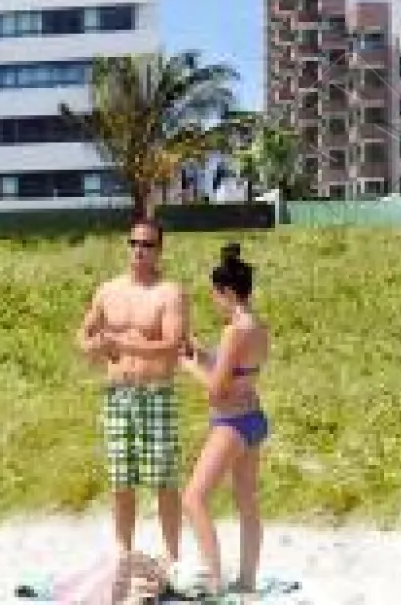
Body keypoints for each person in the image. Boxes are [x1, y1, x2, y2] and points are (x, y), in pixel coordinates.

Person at [74, 218, 189, 575]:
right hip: (117, 393)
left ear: (160, 250)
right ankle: (123, 552)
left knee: (164, 478)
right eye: (134, 243)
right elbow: (83, 335)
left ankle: (172, 557)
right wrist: (95, 346)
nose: (139, 250)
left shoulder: (169, 293)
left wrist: (121, 343)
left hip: (156, 392)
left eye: (147, 245)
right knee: (121, 478)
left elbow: (172, 345)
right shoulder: (107, 291)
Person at [177, 242, 270, 597]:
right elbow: (235, 369)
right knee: (247, 503)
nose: (215, 302)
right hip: (253, 418)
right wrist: (200, 353)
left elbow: (217, 390)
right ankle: (246, 582)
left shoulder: (235, 330)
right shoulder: (257, 326)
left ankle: (215, 581)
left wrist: (187, 366)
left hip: (232, 422)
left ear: (228, 292)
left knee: (193, 498)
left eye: (216, 295)